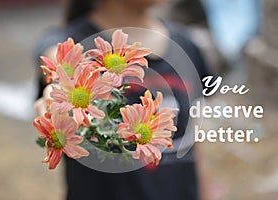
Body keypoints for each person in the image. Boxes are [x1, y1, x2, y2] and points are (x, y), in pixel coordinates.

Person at [34, 0, 212, 199]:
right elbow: (58, 60)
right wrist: (63, 88)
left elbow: (193, 141)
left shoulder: (187, 46)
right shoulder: (70, 41)